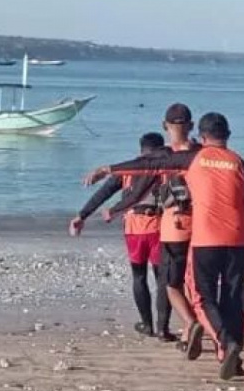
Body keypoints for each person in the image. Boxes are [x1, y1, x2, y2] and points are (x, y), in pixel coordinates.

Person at [84, 113, 244, 381]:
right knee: (232, 299)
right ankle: (233, 358)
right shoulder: (241, 164)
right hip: (238, 241)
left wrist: (109, 169)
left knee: (204, 298)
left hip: (206, 240)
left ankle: (226, 345)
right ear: (228, 135)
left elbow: (150, 164)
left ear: (202, 137)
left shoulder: (194, 158)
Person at [70, 133, 173, 340]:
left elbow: (103, 193)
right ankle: (163, 329)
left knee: (139, 276)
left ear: (140, 150)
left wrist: (81, 216)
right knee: (162, 278)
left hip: (134, 229)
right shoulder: (165, 168)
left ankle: (146, 324)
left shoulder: (129, 168)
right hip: (158, 227)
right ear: (161, 149)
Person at [157, 104, 200, 353]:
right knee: (194, 281)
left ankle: (189, 325)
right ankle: (187, 331)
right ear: (192, 126)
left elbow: (137, 184)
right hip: (203, 228)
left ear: (165, 126)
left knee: (172, 283)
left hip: (173, 228)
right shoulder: (202, 155)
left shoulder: (163, 156)